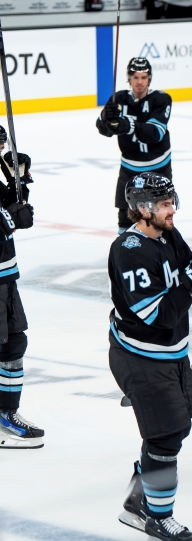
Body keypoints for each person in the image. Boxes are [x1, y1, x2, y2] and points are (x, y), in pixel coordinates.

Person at [110, 173, 192, 540]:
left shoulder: (167, 234)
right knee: (166, 435)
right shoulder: (129, 251)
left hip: (169, 353)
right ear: (143, 209)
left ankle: (140, 496)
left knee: (177, 427)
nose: (171, 210)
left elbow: (189, 273)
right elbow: (159, 315)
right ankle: (156, 516)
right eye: (164, 205)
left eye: (171, 201)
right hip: (141, 355)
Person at [96, 58, 174, 234]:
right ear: (129, 78)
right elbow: (105, 131)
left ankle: (163, 255)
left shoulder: (161, 99)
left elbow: (155, 133)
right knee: (125, 219)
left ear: (149, 79)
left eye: (144, 77)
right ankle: (125, 254)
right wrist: (105, 119)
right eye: (135, 77)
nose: (139, 81)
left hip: (158, 170)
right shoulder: (119, 98)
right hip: (129, 170)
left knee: (161, 218)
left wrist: (128, 124)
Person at [0, 128, 38, 450]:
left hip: (4, 278)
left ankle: (5, 414)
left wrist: (17, 182)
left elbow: (13, 209)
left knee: (12, 344)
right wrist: (9, 219)